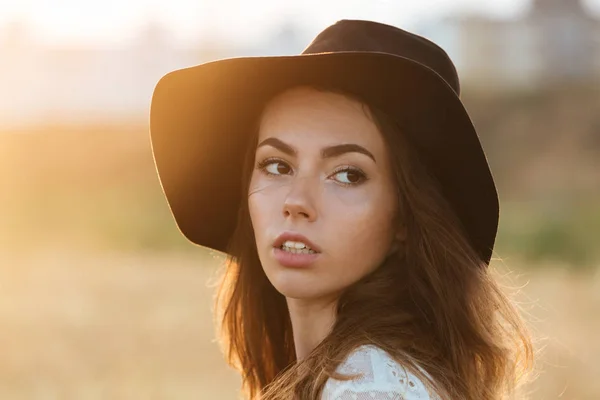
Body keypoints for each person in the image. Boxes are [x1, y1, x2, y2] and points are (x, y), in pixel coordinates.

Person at [149, 20, 533, 400]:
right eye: (278, 165)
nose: (296, 201)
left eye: (348, 174)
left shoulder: (371, 389)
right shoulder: (359, 375)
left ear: (404, 217)